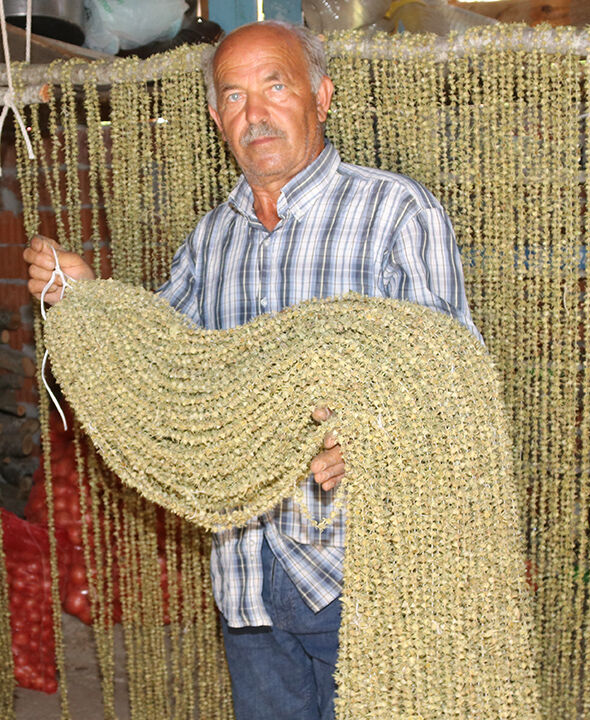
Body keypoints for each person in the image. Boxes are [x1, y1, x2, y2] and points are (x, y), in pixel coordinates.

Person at [24, 19, 480, 720]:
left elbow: (454, 378)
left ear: (321, 96)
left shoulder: (396, 213)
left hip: (361, 570)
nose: (255, 113)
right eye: (234, 97)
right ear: (215, 118)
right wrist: (84, 300)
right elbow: (161, 362)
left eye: (276, 85)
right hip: (245, 572)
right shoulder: (211, 239)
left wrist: (372, 436)